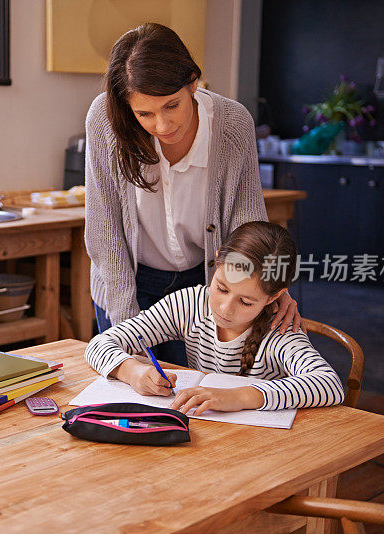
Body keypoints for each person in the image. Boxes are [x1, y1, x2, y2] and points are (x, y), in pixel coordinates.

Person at [85, 23, 302, 367]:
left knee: (199, 400)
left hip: (206, 285)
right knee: (135, 400)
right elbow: (105, 229)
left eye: (172, 105)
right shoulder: (105, 120)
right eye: (145, 113)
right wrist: (128, 328)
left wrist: (269, 283)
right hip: (126, 279)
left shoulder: (232, 124)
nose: (162, 125)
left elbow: (249, 226)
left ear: (193, 83)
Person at [84, 221, 344, 415]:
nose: (225, 308)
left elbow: (329, 384)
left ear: (275, 296)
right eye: (221, 288)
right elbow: (99, 344)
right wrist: (133, 371)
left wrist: (241, 397)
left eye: (245, 301)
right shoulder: (189, 304)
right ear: (218, 259)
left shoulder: (280, 328)